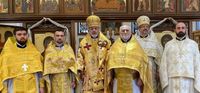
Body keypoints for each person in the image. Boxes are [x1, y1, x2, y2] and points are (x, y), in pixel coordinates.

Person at [106, 25, 153, 93]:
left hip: (133, 81)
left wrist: (141, 79)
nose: (125, 32)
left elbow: (144, 62)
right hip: (117, 80)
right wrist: (110, 78)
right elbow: (109, 63)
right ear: (119, 33)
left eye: (127, 30)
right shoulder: (114, 47)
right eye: (123, 30)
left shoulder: (137, 46)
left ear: (131, 32)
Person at [0, 27, 44, 93]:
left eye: (24, 34)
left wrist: (41, 86)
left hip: (32, 85)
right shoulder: (8, 53)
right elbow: (4, 73)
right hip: (15, 86)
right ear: (15, 36)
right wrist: (5, 90)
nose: (22, 36)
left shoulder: (34, 51)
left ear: (27, 35)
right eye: (19, 34)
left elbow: (39, 71)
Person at [159, 22, 200, 93]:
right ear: (175, 30)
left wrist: (197, 80)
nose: (180, 30)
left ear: (186, 29)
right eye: (178, 28)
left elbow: (197, 63)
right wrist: (164, 80)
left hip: (189, 78)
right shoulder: (168, 45)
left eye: (183, 28)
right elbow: (163, 64)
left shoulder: (193, 44)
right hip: (172, 78)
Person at [77, 15, 111, 93]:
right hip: (89, 76)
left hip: (102, 75)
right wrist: (80, 71)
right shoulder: (83, 43)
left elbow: (110, 57)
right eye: (91, 29)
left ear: (99, 28)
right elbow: (80, 58)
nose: (94, 30)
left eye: (96, 28)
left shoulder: (106, 42)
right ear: (88, 29)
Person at [135, 15, 163, 93]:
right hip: (137, 71)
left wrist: (158, 71)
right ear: (139, 28)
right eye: (142, 26)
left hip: (151, 71)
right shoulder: (134, 41)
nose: (145, 28)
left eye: (147, 26)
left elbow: (160, 57)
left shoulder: (154, 41)